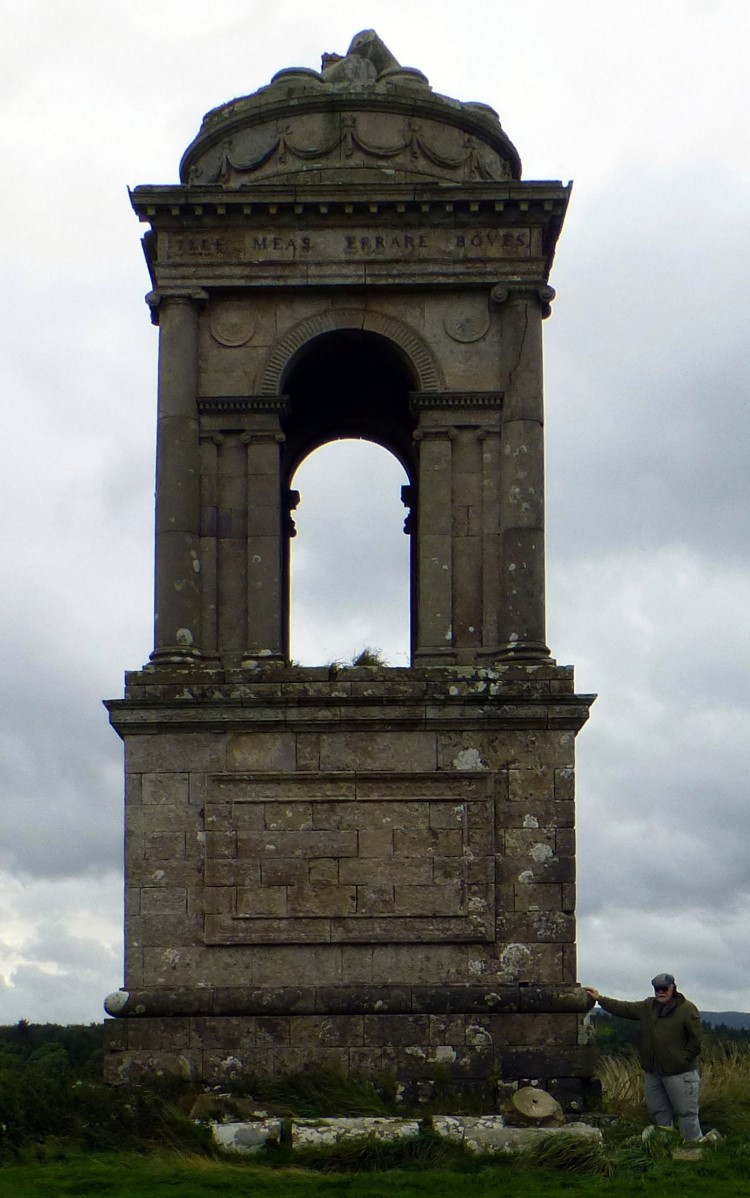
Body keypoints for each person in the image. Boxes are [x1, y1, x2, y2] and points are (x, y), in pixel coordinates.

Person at [585, 972, 704, 1141]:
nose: (660, 992)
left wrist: (680, 1060)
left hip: (680, 1073)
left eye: (664, 988)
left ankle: (694, 1149)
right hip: (654, 1072)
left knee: (686, 1113)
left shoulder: (687, 1009)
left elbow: (696, 1040)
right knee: (659, 1112)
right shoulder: (648, 1007)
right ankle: (665, 1147)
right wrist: (600, 999)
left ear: (673, 988)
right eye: (657, 989)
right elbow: (624, 1008)